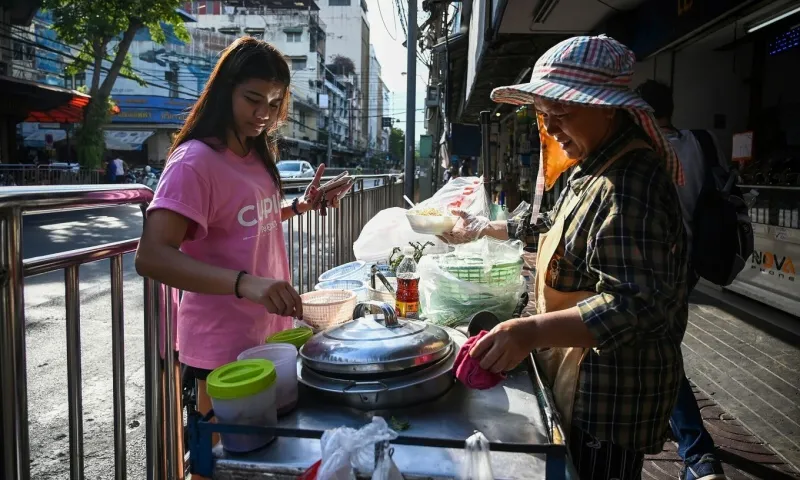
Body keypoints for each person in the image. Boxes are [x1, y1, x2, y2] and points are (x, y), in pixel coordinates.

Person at [442, 35, 688, 480]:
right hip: (580, 372)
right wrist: (481, 228)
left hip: (611, 391)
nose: (551, 129)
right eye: (543, 115)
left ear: (608, 108)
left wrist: (530, 332)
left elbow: (637, 305)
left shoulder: (630, 182)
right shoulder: (591, 167)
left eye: (563, 113)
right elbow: (549, 222)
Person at [134, 37, 351, 474]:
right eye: (253, 99)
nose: (264, 114)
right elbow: (152, 255)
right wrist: (245, 284)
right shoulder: (194, 161)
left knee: (265, 460)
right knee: (217, 464)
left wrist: (300, 206)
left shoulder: (255, 152)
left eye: (274, 102)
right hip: (218, 348)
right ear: (225, 89)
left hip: (268, 337)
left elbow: (245, 221)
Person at [636, 80, 727, 480]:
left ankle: (698, 452)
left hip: (659, 268)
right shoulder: (699, 143)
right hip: (691, 264)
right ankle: (680, 436)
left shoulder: (648, 153)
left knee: (660, 353)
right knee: (658, 347)